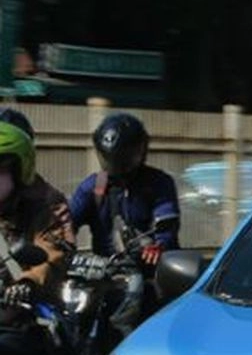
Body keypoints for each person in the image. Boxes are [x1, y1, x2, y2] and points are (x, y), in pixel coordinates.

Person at [0, 121, 75, 355]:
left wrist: (27, 282)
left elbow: (55, 256)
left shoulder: (48, 204)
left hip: (33, 322)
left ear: (19, 169)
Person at [69, 112, 180, 337]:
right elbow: (67, 221)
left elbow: (166, 220)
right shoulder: (93, 187)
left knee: (154, 320)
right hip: (103, 272)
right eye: (109, 158)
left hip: (149, 273)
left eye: (121, 157)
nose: (114, 165)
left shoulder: (158, 183)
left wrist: (158, 245)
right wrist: (56, 242)